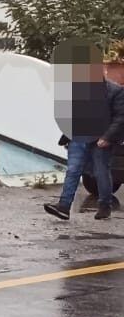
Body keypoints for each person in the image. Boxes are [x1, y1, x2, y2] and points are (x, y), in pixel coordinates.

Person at [45, 41, 124, 221]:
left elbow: (120, 118)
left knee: (101, 172)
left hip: (101, 139)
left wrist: (107, 137)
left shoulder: (116, 91)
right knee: (73, 170)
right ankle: (64, 207)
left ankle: (105, 206)